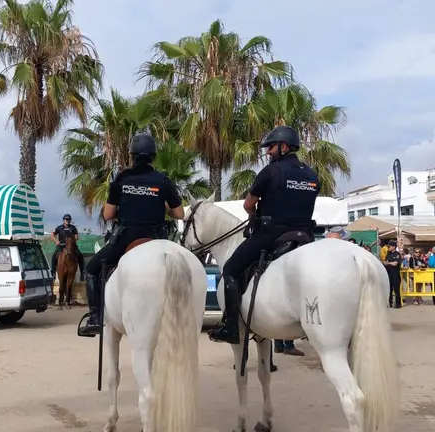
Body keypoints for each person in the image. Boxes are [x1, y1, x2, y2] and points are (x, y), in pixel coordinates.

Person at [209, 125, 320, 345]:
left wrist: (255, 215)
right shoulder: (312, 175)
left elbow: (249, 204)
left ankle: (231, 326)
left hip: (272, 233)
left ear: (284, 146)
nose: (268, 152)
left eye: (270, 147)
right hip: (305, 237)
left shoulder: (271, 172)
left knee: (230, 269)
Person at [78, 133, 185, 337]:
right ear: (153, 156)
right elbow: (179, 213)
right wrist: (163, 206)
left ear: (132, 155)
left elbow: (108, 214)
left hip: (126, 238)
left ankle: (95, 318)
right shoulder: (162, 180)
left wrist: (125, 208)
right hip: (156, 239)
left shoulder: (122, 179)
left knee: (92, 270)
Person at [50, 214, 85, 279]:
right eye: (66, 219)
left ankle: (82, 271)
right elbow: (52, 234)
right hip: (61, 245)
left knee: (80, 255)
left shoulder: (73, 228)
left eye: (69, 220)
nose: (67, 221)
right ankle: (53, 272)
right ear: (63, 220)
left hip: (71, 246)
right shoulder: (59, 228)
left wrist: (72, 240)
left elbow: (76, 236)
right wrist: (56, 241)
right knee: (54, 256)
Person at [383, 240, 402, 308]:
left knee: (396, 290)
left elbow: (395, 263)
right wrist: (389, 263)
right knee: (389, 290)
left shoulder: (397, 254)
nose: (389, 248)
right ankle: (390, 303)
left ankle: (398, 304)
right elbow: (385, 262)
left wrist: (388, 263)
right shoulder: (388, 254)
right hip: (389, 274)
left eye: (390, 246)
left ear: (394, 247)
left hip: (395, 274)